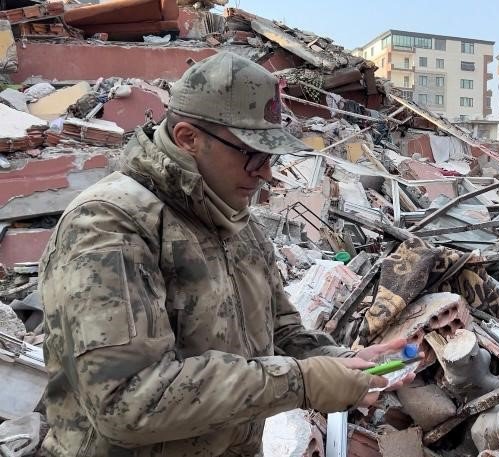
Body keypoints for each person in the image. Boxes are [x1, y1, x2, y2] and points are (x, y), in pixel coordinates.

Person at [39, 52, 411, 456]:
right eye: (252, 154)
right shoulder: (110, 224)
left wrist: (341, 363)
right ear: (188, 138)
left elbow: (281, 334)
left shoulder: (237, 223)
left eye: (271, 157)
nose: (266, 173)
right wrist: (302, 382)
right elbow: (128, 400)